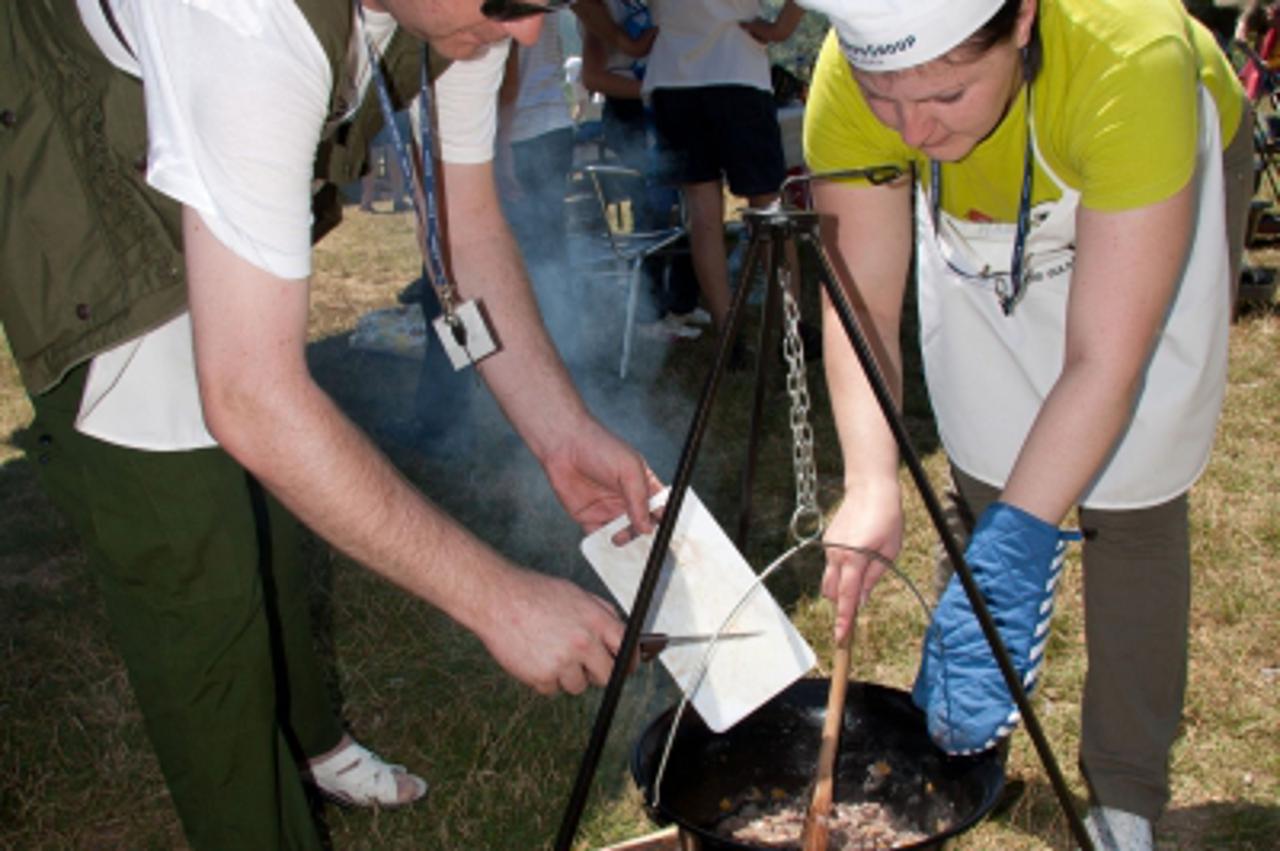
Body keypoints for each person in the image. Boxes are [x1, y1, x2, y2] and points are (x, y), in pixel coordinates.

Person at [0, 1, 657, 848]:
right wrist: (498, 598)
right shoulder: (244, 23)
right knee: (188, 539)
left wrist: (561, 430)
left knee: (277, 496)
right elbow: (251, 398)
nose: (531, 33)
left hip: (206, 99)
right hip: (80, 137)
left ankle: (313, 739)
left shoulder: (473, 12)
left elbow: (467, 226)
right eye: (509, 3)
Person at [798, 0, 1249, 848]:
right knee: (989, 457)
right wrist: (867, 479)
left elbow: (1104, 362)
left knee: (1132, 485)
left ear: (1022, 21)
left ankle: (1125, 789)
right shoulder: (849, 83)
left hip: (1142, 144)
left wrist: (1017, 553)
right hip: (989, 209)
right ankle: (972, 748)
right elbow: (859, 309)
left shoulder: (1130, 54)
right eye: (883, 98)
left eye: (945, 97)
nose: (911, 128)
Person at [641, 0, 806, 336]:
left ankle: (728, 331)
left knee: (704, 216)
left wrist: (622, 41)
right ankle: (791, 328)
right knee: (768, 207)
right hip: (738, 68)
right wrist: (781, 28)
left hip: (674, 75)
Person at [578, 0, 709, 341]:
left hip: (667, 105)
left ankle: (682, 302)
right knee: (652, 212)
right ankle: (647, 315)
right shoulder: (604, 9)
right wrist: (653, 90)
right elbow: (593, 77)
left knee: (689, 203)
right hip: (631, 113)